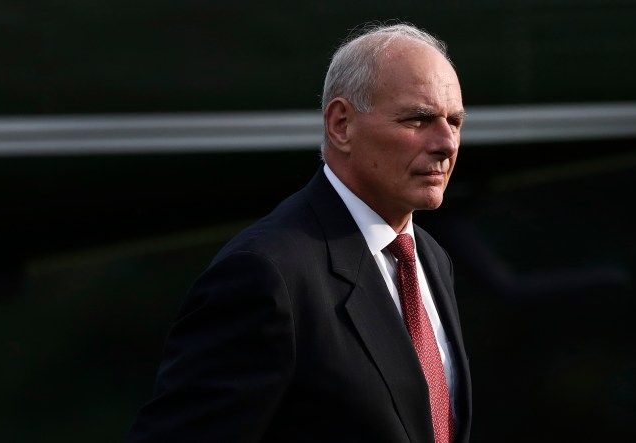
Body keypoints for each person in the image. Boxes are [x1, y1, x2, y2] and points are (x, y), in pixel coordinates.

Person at [128, 22, 472, 443]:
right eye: (418, 119)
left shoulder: (429, 259)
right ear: (341, 124)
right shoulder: (267, 274)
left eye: (454, 121)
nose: (446, 143)